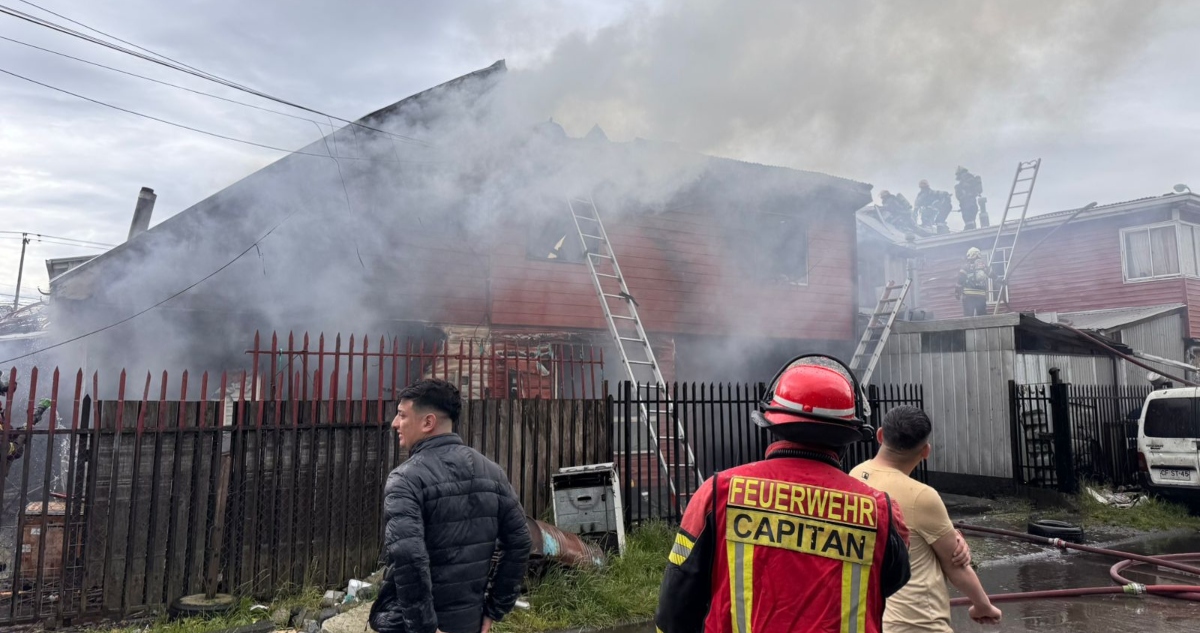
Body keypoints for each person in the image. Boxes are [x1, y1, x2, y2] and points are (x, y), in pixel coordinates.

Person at [655, 355, 912, 633]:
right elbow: (893, 579)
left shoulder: (717, 494)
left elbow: (675, 607)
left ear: (772, 425)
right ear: (848, 438)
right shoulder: (880, 512)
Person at [370, 379, 532, 633]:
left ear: (428, 422)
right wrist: (492, 611)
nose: (394, 423)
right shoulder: (493, 473)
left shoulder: (405, 479)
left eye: (402, 415)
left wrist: (426, 628)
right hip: (469, 623)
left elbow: (409, 558)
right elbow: (521, 541)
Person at [850, 406, 1002, 631]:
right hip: (917, 622)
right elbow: (956, 565)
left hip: (871, 619)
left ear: (880, 435)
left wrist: (953, 535)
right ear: (926, 451)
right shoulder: (921, 496)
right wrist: (984, 606)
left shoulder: (854, 476)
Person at [955, 247, 992, 316]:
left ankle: (969, 326)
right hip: (981, 296)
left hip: (968, 296)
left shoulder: (966, 267)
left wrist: (957, 293)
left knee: (968, 318)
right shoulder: (984, 266)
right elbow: (992, 275)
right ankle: (983, 326)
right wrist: (1000, 280)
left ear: (970, 255)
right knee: (982, 317)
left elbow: (960, 280)